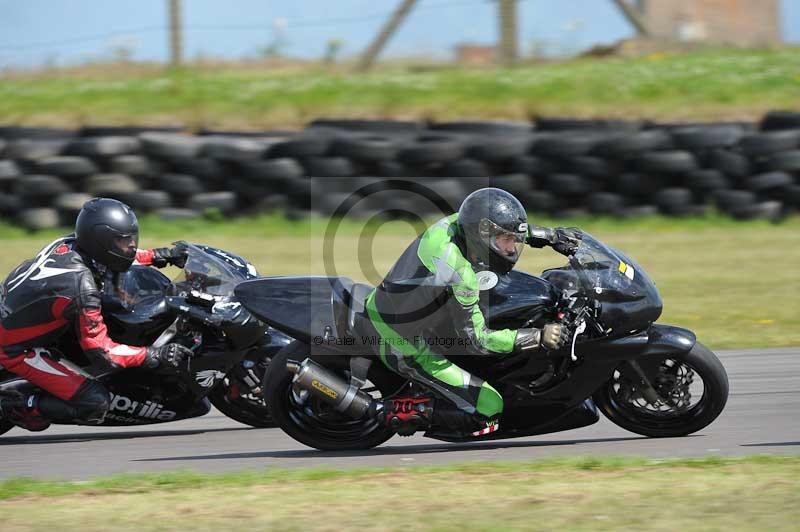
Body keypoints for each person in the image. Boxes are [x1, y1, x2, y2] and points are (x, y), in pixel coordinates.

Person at [364, 187, 582, 437]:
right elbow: (477, 340)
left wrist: (549, 235)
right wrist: (537, 336)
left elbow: (490, 224)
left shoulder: (457, 223)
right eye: (506, 240)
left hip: (404, 308)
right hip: (401, 341)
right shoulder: (460, 275)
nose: (512, 248)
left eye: (512, 239)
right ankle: (385, 411)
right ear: (482, 236)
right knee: (489, 408)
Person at [0, 198, 192, 430]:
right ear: (100, 241)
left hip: (15, 311)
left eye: (132, 238)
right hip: (15, 350)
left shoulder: (68, 243)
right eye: (124, 240)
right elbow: (103, 352)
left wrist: (159, 255)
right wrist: (153, 354)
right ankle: (15, 406)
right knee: (94, 403)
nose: (131, 245)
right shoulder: (81, 289)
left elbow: (119, 256)